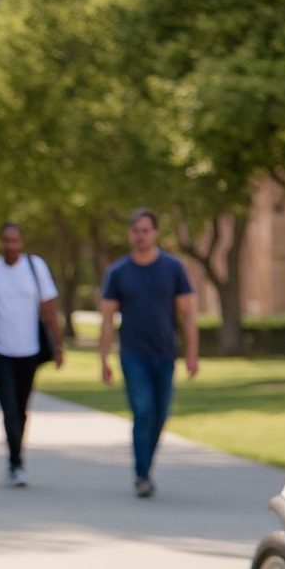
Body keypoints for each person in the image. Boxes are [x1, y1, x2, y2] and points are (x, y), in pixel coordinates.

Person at [99, 207, 200, 497]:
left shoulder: (173, 268)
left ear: (155, 233)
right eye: (136, 231)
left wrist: (192, 354)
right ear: (130, 234)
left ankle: (146, 466)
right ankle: (142, 475)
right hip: (132, 354)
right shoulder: (118, 272)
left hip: (165, 353)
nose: (141, 236)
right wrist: (103, 359)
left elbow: (188, 315)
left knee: (159, 416)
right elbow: (106, 319)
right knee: (143, 412)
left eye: (146, 230)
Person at [0, 221, 64, 487]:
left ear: (22, 242)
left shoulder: (35, 267)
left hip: (29, 350)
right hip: (0, 349)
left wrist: (59, 345)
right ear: (0, 242)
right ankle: (15, 463)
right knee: (9, 409)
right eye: (6, 240)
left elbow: (49, 308)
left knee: (22, 409)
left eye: (15, 241)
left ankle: (16, 456)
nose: (11, 246)